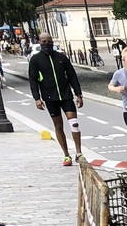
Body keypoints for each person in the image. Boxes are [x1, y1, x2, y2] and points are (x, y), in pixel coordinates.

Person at [27, 32, 84, 166]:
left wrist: (78, 94)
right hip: (49, 97)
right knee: (58, 126)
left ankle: (79, 152)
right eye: (43, 41)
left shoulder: (61, 57)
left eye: (49, 41)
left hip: (65, 95)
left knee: (74, 123)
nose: (46, 44)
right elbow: (33, 80)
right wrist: (37, 98)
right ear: (40, 42)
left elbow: (72, 76)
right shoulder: (35, 60)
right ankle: (66, 155)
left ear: (52, 41)